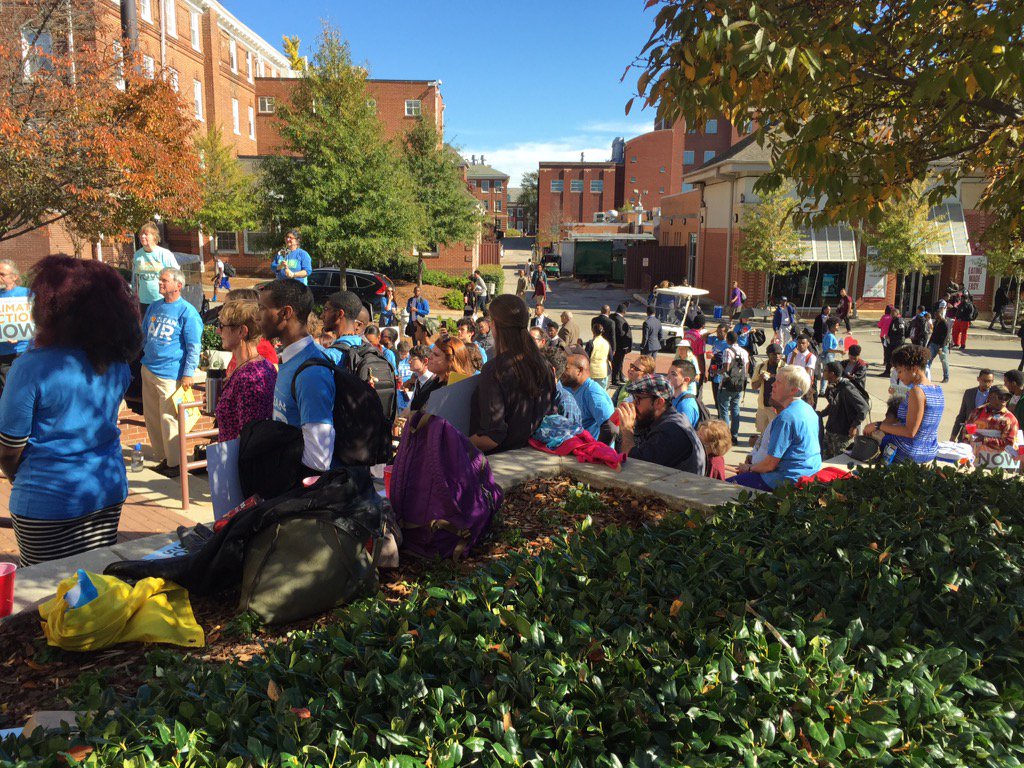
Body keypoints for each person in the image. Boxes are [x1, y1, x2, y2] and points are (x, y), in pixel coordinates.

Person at [0, 257, 141, 567]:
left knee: (48, 598)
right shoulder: (116, 363)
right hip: (105, 490)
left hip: (45, 500)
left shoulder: (29, 368)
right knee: (96, 587)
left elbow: (9, 449)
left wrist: (16, 476)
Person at [259, 279, 337, 472]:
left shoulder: (312, 373)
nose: (257, 316)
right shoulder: (290, 359)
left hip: (298, 492)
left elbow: (318, 461)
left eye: (262, 309)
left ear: (285, 313)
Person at [470, 295, 556, 453]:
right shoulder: (544, 365)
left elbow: (492, 437)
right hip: (535, 457)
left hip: (500, 464)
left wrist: (457, 439)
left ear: (494, 325)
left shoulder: (495, 370)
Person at [139, 268, 202, 478]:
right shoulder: (155, 307)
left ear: (178, 285)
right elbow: (144, 334)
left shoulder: (187, 312)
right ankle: (164, 457)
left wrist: (188, 373)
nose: (160, 284)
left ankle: (175, 464)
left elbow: (193, 346)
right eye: (160, 280)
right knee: (153, 417)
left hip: (171, 374)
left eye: (164, 281)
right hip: (148, 368)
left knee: (169, 419)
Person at [728, 365, 821, 490]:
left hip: (785, 480)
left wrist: (749, 468)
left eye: (778, 382)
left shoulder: (786, 417)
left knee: (724, 486)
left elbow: (770, 464)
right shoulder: (808, 409)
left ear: (793, 390)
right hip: (807, 473)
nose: (773, 385)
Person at [864, 344, 944, 463]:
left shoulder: (917, 391)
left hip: (907, 452)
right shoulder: (937, 389)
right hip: (929, 451)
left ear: (914, 368)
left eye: (900, 371)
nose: (899, 377)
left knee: (869, 442)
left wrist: (878, 426)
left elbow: (910, 432)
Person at [615, 374, 706, 475]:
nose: (633, 404)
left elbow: (634, 467)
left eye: (638, 399)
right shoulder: (659, 421)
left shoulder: (671, 431)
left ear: (659, 402)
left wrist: (627, 430)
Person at [214, 300, 277, 442]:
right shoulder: (263, 365)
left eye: (222, 326)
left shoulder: (250, 377)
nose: (218, 331)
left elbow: (249, 436)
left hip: (237, 460)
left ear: (242, 331)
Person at [961, 385, 1020, 469]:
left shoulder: (1010, 419)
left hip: (997, 466)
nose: (1004, 400)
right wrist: (966, 446)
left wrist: (984, 439)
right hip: (975, 463)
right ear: (990, 397)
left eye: (1006, 397)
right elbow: (966, 431)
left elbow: (1009, 443)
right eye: (1000, 397)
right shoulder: (977, 412)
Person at [819, 361, 869, 457]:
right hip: (831, 430)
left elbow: (864, 407)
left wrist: (854, 426)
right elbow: (834, 405)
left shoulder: (847, 387)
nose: (823, 373)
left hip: (842, 435)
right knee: (825, 460)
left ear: (832, 374)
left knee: (839, 461)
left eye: (825, 371)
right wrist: (820, 414)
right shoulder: (834, 385)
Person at [562, 352, 616, 440]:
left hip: (589, 450)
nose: (562, 371)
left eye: (566, 368)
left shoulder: (593, 392)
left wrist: (598, 451)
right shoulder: (568, 387)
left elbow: (610, 426)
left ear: (579, 370)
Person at [131, 221, 179, 314]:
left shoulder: (164, 254)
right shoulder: (137, 255)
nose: (142, 237)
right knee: (147, 327)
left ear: (154, 237)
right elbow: (135, 279)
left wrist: (172, 296)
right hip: (143, 301)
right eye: (141, 234)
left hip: (162, 299)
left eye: (146, 234)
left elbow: (177, 276)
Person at [0, 260, 31, 394]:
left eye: (2, 274)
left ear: (14, 277)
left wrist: (18, 333)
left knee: (26, 389)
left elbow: (37, 318)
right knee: (7, 391)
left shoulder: (26, 294)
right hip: (3, 354)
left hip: (24, 349)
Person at [717, 331, 749, 442]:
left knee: (724, 410)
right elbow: (746, 369)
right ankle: (734, 435)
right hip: (739, 385)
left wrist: (717, 371)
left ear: (728, 340)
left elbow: (726, 368)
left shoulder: (727, 351)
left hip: (727, 385)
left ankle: (726, 436)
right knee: (735, 410)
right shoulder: (745, 352)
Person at [541, 345, 583, 427]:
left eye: (539, 367)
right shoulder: (540, 394)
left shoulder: (566, 404)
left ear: (551, 371)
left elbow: (570, 436)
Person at [951, 368, 996, 440]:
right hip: (966, 435)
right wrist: (953, 436)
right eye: (984, 381)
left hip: (983, 437)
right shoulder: (969, 393)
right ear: (978, 379)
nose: (987, 384)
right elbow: (962, 415)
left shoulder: (995, 396)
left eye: (990, 381)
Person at [751, 343, 782, 434]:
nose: (777, 356)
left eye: (779, 354)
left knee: (775, 433)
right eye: (774, 354)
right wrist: (760, 378)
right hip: (763, 407)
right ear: (768, 355)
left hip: (776, 408)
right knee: (763, 434)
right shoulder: (760, 367)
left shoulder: (785, 368)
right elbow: (754, 386)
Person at [668, 358, 702, 427]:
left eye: (673, 374)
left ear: (686, 380)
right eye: (668, 373)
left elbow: (681, 435)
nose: (668, 377)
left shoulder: (686, 406)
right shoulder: (673, 398)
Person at [405, 345, 439, 412]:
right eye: (409, 359)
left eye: (412, 359)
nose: (409, 362)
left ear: (425, 361)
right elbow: (410, 406)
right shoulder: (418, 381)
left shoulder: (435, 381)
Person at [786, 334, 817, 404]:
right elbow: (788, 369)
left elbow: (806, 373)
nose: (801, 345)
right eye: (799, 343)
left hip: (804, 387)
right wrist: (793, 356)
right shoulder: (791, 354)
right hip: (792, 385)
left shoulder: (811, 357)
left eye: (803, 343)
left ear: (808, 344)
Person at [683, 316, 707, 396]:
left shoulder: (686, 334)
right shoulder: (700, 338)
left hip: (684, 364)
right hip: (694, 367)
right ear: (703, 326)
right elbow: (700, 357)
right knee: (696, 392)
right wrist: (703, 373)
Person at [927, 308, 951, 383]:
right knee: (928, 360)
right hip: (933, 344)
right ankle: (926, 375)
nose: (936, 316)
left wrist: (941, 347)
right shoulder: (936, 322)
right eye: (935, 315)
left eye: (937, 315)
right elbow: (933, 334)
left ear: (941, 314)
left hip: (942, 346)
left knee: (944, 361)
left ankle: (946, 377)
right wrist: (928, 344)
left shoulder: (945, 323)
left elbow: (946, 336)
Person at [586, 318, 612, 389]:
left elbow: (586, 357)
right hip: (603, 371)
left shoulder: (591, 343)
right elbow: (611, 357)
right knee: (602, 392)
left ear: (593, 331)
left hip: (592, 372)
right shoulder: (606, 343)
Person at [818, 318, 842, 395]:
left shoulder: (830, 335)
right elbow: (828, 349)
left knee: (827, 373)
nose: (838, 327)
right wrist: (840, 351)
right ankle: (824, 391)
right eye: (837, 325)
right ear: (831, 326)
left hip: (829, 356)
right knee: (829, 373)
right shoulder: (830, 336)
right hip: (828, 356)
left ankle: (824, 390)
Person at [610, 304, 632, 385]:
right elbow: (621, 334)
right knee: (618, 363)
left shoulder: (612, 317)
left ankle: (620, 376)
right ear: (624, 312)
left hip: (615, 345)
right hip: (620, 346)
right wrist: (625, 346)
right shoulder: (620, 320)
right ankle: (615, 379)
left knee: (619, 362)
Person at [881, 307, 906, 377]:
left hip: (897, 342)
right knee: (889, 356)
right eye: (891, 313)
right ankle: (887, 371)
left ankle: (899, 373)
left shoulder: (899, 321)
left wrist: (891, 337)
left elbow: (902, 334)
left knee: (896, 357)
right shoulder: (893, 320)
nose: (891, 314)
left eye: (893, 313)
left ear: (897, 313)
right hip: (891, 342)